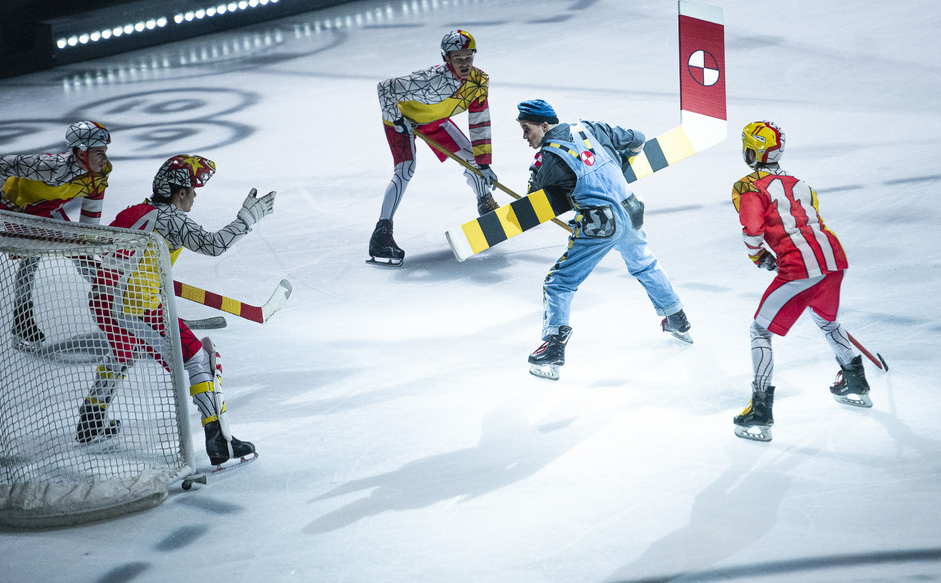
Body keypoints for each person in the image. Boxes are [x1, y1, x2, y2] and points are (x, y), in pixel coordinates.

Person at [82, 154, 276, 466]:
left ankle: (91, 419)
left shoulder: (133, 211)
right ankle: (219, 440)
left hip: (101, 301)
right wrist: (246, 220)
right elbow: (213, 245)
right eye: (193, 191)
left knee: (123, 351)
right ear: (180, 192)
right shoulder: (171, 220)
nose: (195, 196)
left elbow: (102, 255)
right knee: (199, 357)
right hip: (137, 307)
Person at [516, 99, 691, 381]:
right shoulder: (590, 128)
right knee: (644, 264)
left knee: (559, 282)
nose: (525, 136)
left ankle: (553, 347)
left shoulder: (549, 157)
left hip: (601, 223)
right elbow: (638, 139)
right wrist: (621, 164)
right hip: (631, 209)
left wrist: (536, 173)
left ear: (544, 125)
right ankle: (676, 317)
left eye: (527, 129)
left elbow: (535, 195)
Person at [731, 121, 871, 443]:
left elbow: (753, 228)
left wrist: (758, 256)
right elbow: (811, 221)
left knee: (760, 330)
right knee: (827, 320)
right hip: (834, 261)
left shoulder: (749, 187)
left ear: (751, 151)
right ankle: (854, 379)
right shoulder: (800, 184)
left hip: (799, 269)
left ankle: (761, 409)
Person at [369, 29, 500, 266]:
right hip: (403, 123)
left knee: (472, 158)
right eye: (458, 58)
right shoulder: (430, 80)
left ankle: (485, 203)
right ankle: (381, 234)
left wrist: (484, 163)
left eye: (468, 57)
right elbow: (385, 88)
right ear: (446, 59)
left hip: (434, 122)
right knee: (405, 170)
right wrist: (398, 120)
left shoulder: (478, 82)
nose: (464, 63)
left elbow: (479, 121)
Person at [0, 120, 112, 348]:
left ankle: (22, 318)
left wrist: (86, 241)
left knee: (76, 254)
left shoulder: (98, 173)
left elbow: (91, 211)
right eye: (99, 152)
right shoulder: (52, 167)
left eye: (105, 152)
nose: (105, 158)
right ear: (81, 152)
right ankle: (120, 300)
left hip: (46, 206)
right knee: (35, 258)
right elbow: (5, 164)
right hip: (18, 207)